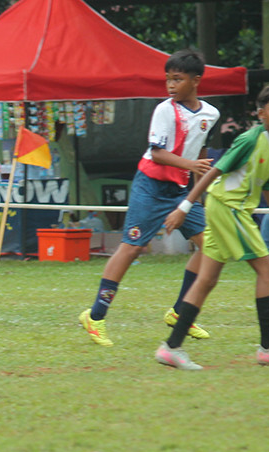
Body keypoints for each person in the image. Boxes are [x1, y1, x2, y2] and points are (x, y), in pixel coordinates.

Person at [156, 83, 269, 371]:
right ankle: (268, 348)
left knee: (207, 280)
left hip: (229, 209)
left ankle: (171, 348)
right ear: (261, 113)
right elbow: (214, 171)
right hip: (228, 208)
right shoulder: (250, 139)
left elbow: (268, 188)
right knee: (267, 269)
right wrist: (184, 207)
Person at [79, 49, 219, 347]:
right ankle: (95, 316)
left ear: (196, 81)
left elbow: (200, 152)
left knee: (211, 247)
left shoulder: (211, 114)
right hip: (151, 188)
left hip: (181, 190)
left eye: (177, 80)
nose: (170, 85)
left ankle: (181, 313)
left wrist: (198, 194)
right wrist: (192, 166)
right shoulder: (164, 110)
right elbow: (157, 152)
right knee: (132, 248)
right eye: (168, 79)